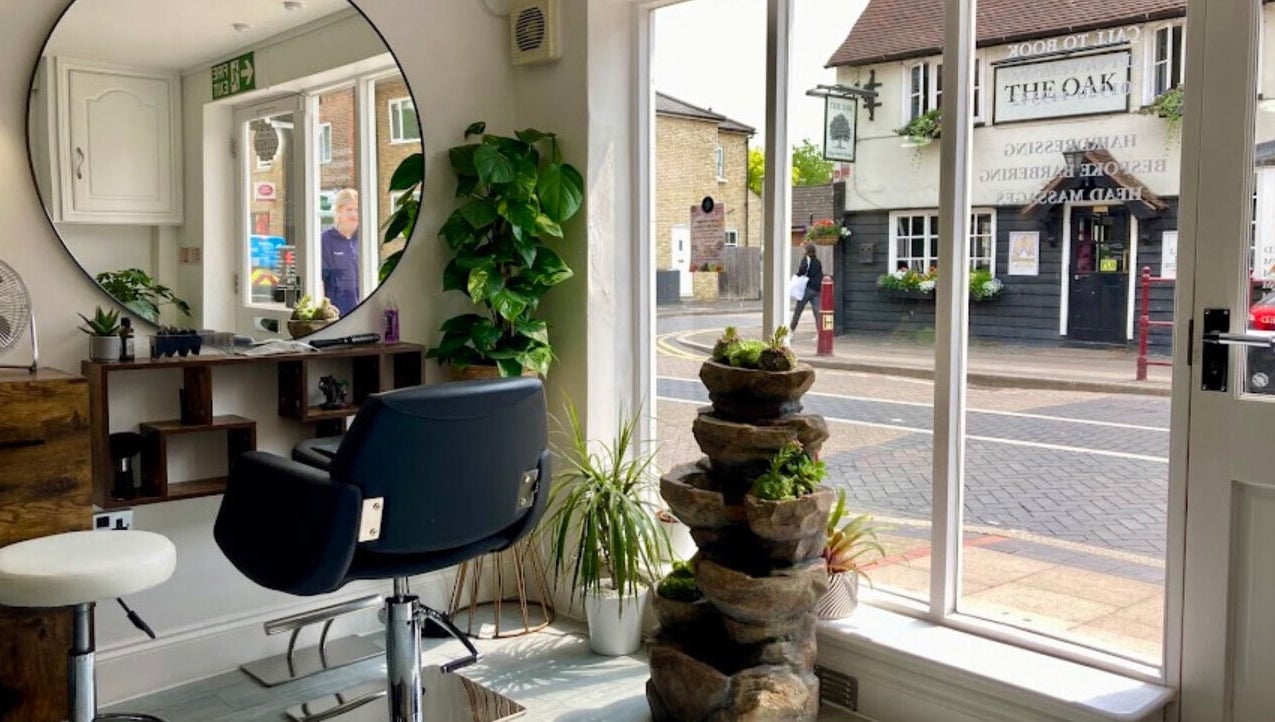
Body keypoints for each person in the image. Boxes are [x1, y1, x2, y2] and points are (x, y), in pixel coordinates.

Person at [321, 188, 360, 316]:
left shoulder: (365, 240)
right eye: (349, 209)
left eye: (357, 210)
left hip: (362, 311)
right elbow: (320, 280)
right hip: (337, 314)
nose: (354, 214)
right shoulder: (326, 240)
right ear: (338, 211)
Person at [790, 241, 824, 332]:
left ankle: (791, 331)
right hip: (817, 290)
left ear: (807, 250)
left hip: (807, 288)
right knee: (817, 313)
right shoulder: (818, 262)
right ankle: (820, 334)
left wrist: (797, 275)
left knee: (798, 311)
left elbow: (802, 270)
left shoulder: (806, 259)